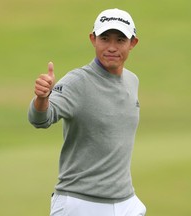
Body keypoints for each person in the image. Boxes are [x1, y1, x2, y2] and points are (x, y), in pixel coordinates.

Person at [28, 8, 146, 216]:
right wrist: (41, 98)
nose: (111, 47)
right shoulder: (77, 82)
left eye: (120, 40)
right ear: (93, 39)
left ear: (133, 43)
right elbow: (41, 119)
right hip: (80, 202)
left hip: (125, 202)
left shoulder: (132, 80)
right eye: (104, 38)